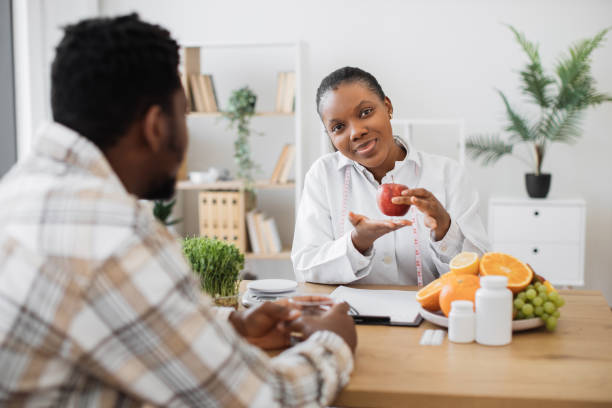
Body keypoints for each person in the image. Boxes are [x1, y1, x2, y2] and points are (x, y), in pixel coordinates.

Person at [0, 14, 356, 407]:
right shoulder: (114, 238)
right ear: (156, 126)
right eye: (184, 116)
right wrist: (335, 341)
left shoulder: (18, 192)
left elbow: (106, 324)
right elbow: (266, 399)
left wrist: (229, 327)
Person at [292, 66, 489, 286]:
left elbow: (479, 272)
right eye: (338, 127)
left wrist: (445, 229)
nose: (356, 132)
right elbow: (305, 267)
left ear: (387, 107)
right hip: (351, 319)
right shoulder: (322, 175)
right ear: (330, 136)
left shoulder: (448, 174)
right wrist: (357, 243)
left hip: (429, 317)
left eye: (365, 112)